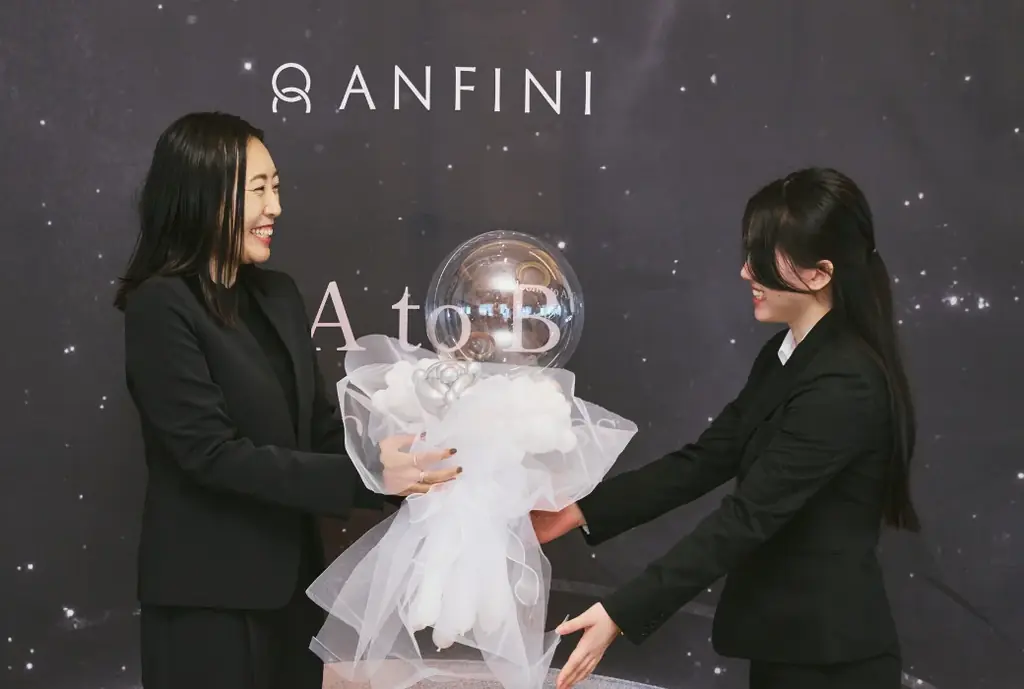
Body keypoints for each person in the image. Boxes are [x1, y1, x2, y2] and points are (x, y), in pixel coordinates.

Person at [533, 167, 919, 689]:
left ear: (819, 273)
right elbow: (708, 457)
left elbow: (746, 518)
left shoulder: (845, 382)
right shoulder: (788, 353)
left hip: (831, 660)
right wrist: (576, 511)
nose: (745, 272)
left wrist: (620, 612)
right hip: (785, 644)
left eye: (762, 258)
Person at [114, 112, 461, 689]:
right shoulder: (161, 305)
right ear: (202, 195)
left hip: (292, 595)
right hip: (206, 604)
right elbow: (209, 454)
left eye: (275, 187)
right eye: (257, 190)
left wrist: (404, 463)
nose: (274, 207)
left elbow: (317, 430)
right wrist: (368, 477)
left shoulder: (277, 295)